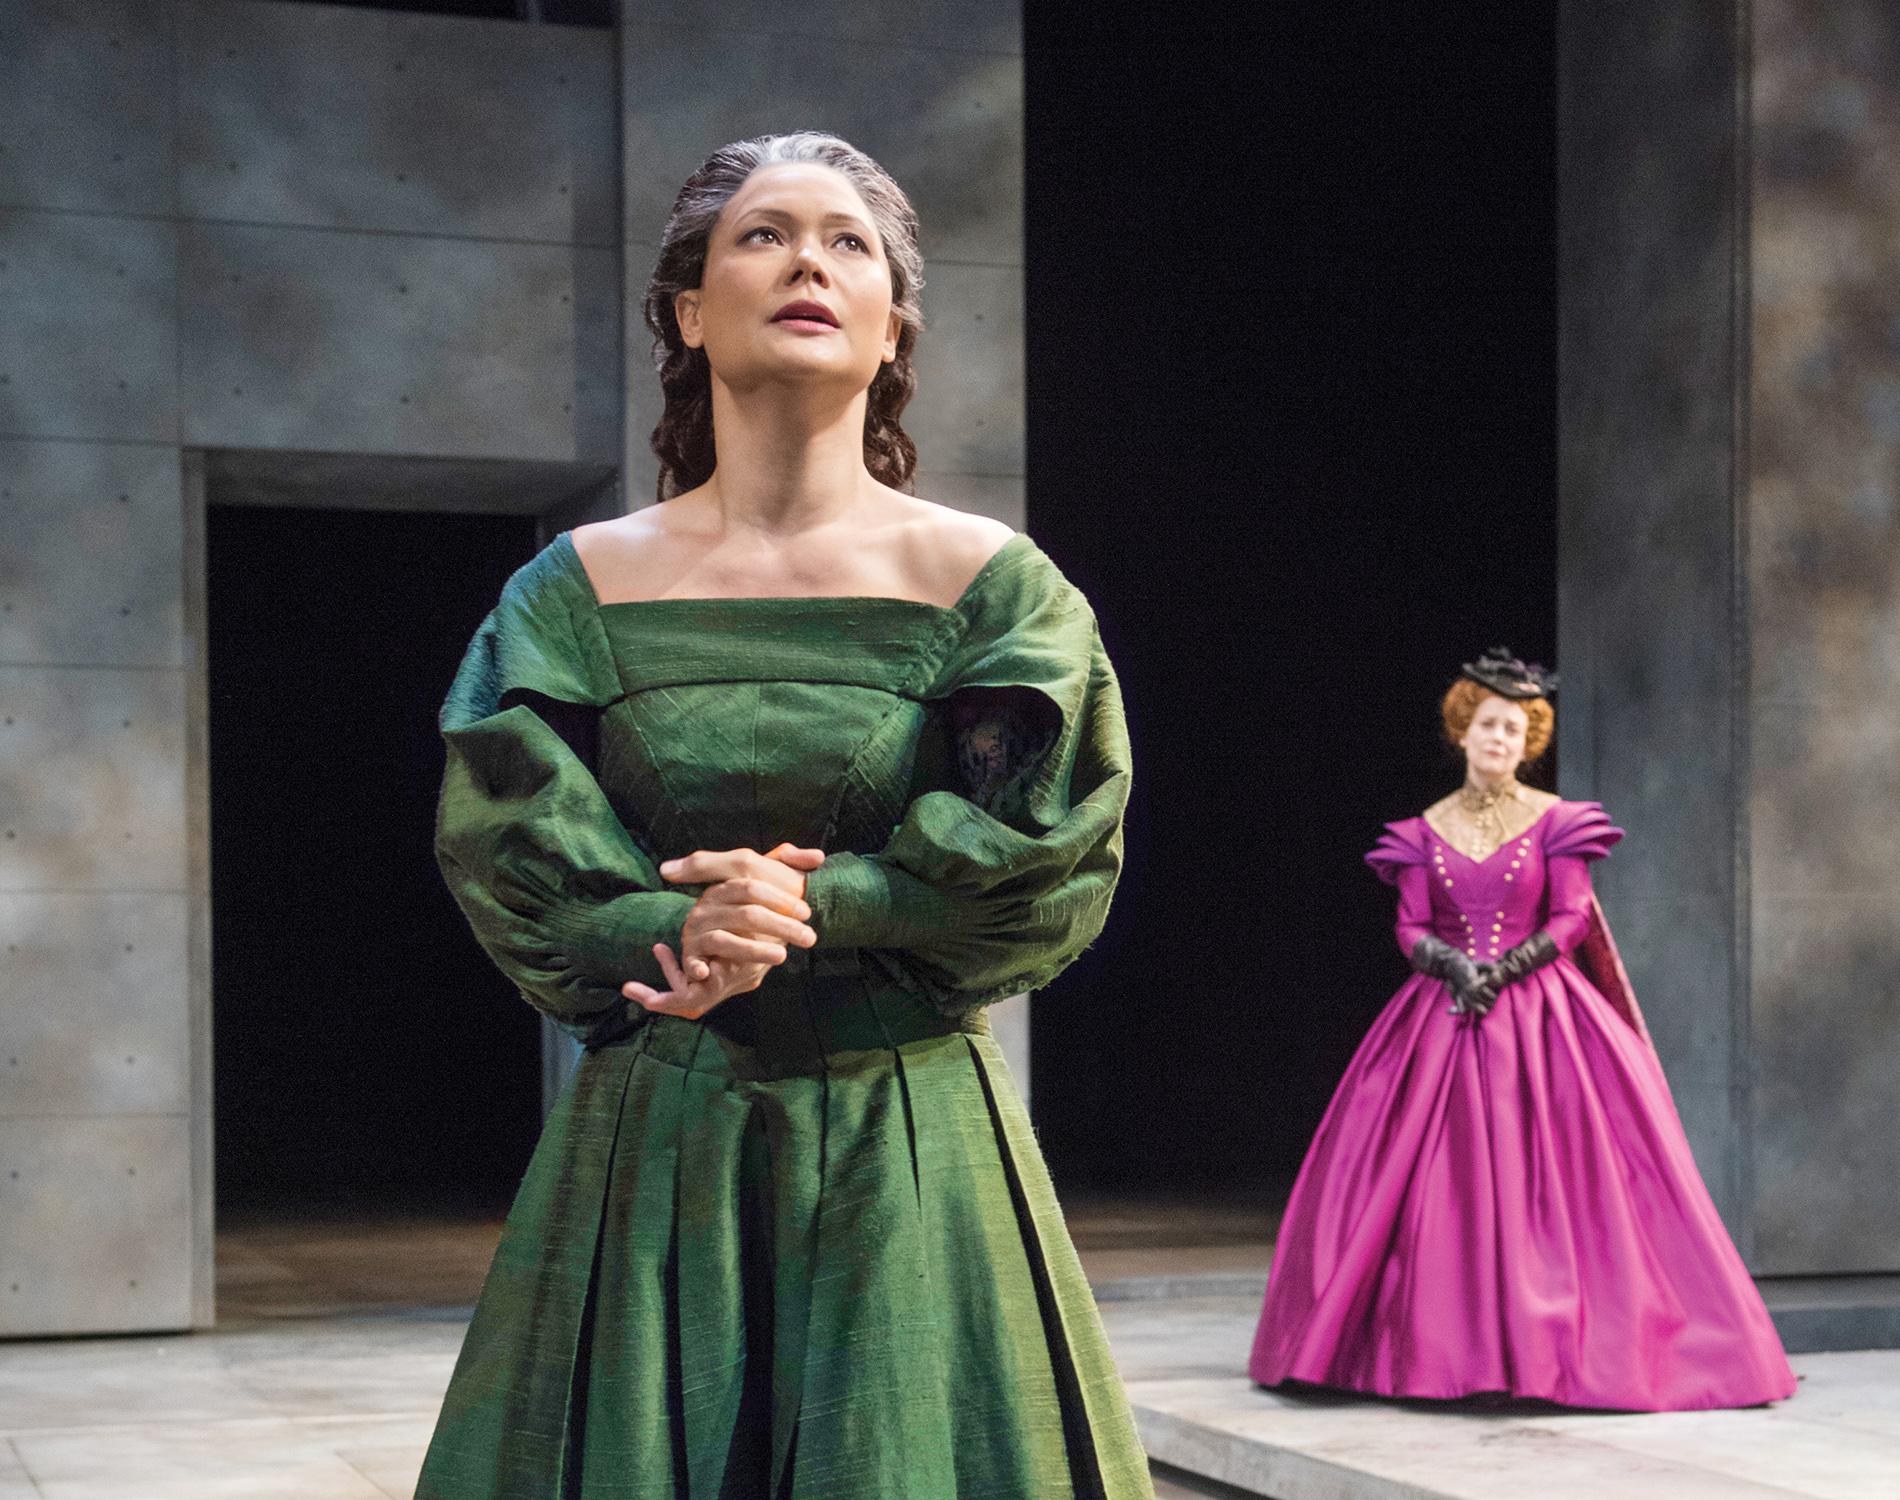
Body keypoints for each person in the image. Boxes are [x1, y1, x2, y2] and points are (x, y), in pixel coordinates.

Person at [414, 130, 1153, 1498]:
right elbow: (510, 845)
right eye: (762, 233)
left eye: (847, 241)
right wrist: (673, 924)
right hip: (664, 1139)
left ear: (890, 327)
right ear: (690, 314)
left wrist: (825, 901)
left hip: (905, 1132)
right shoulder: (572, 591)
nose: (807, 258)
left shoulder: (996, 587)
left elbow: (1049, 865)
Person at [1247, 648, 1796, 1411]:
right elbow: (1408, 928)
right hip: (1441, 1016)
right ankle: (1439, 1350)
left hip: (1543, 1019)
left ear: (1529, 740)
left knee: (1567, 1174)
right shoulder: (1420, 831)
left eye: (1514, 727)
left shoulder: (1556, 823)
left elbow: (1572, 915)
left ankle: (1558, 1354)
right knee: (1433, 1185)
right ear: (1462, 730)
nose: (1498, 738)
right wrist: (1452, 968)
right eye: (1486, 724)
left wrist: (1503, 972)